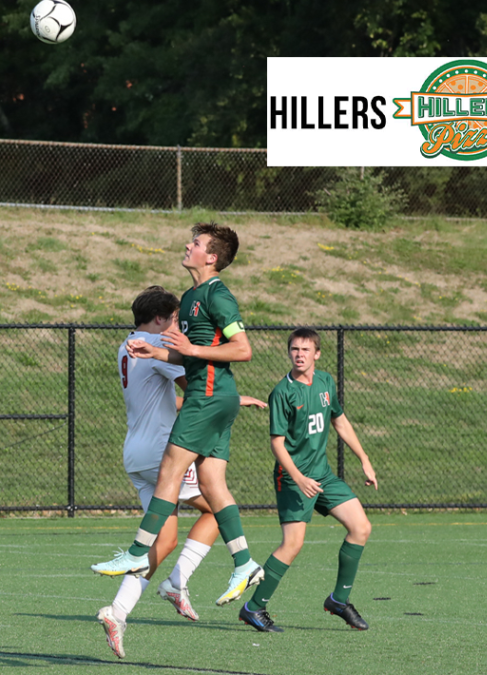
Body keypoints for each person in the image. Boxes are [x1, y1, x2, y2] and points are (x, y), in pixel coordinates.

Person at [91, 222, 266, 609]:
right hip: (213, 395)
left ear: (212, 257)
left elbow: (242, 350)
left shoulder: (218, 295)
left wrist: (191, 350)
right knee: (212, 484)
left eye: (197, 243)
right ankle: (244, 563)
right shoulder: (189, 299)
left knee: (170, 471)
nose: (188, 246)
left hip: (207, 396)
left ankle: (137, 552)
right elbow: (188, 356)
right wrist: (157, 353)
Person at [238, 328, 378, 633]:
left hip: (322, 474)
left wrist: (364, 458)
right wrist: (298, 478)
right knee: (292, 544)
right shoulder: (282, 392)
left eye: (305, 349)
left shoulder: (326, 382)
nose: (299, 355)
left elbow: (340, 421)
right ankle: (254, 607)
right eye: (294, 349)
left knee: (361, 528)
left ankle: (338, 600)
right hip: (292, 478)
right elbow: (277, 444)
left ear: (317, 354)